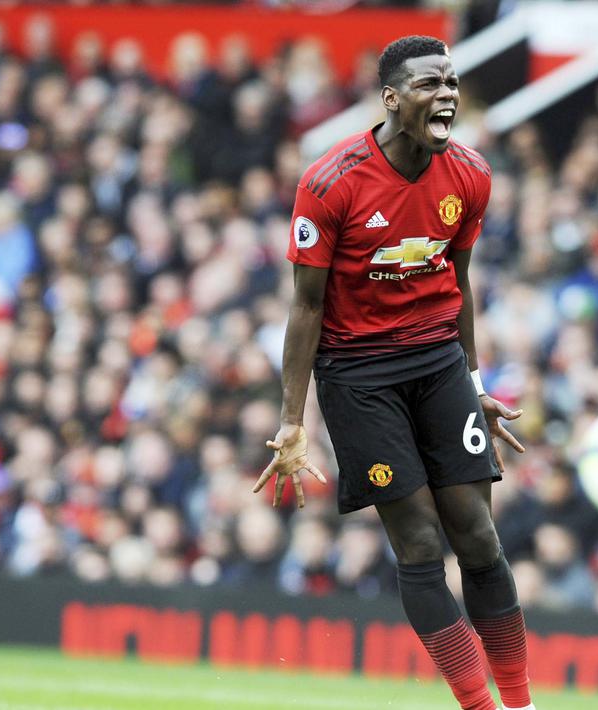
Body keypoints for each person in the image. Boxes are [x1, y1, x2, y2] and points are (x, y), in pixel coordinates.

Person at [252, 36, 534, 710]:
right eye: (428, 83)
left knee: (478, 536)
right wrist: (293, 420)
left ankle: (521, 703)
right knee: (417, 543)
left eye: (451, 82)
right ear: (391, 98)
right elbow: (305, 306)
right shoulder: (331, 181)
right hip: (358, 375)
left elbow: (458, 283)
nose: (446, 94)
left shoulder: (469, 174)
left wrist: (471, 383)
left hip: (438, 362)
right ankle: (479, 706)